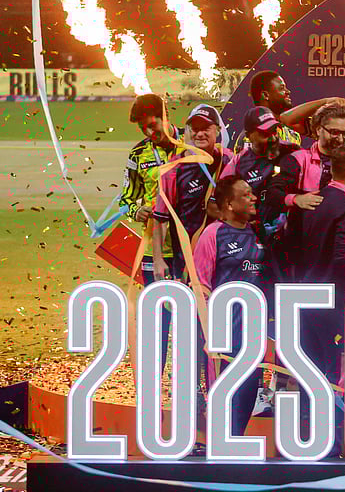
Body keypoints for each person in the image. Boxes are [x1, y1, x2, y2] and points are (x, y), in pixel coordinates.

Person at [288, 145, 345, 450]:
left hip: (303, 294)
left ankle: (307, 435)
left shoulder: (313, 201)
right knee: (334, 369)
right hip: (331, 299)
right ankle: (330, 440)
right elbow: (342, 256)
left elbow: (291, 245)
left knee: (311, 367)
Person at [192, 175, 268, 439]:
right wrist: (207, 332)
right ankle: (220, 446)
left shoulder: (257, 232)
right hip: (224, 334)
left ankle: (236, 442)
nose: (253, 198)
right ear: (229, 203)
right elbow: (200, 285)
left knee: (249, 391)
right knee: (224, 395)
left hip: (253, 333)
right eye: (246, 195)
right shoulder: (213, 235)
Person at [117, 94, 180, 367]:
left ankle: (194, 382)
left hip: (192, 248)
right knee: (158, 319)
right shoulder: (138, 154)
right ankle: (153, 380)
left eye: (152, 125)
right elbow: (125, 199)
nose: (149, 132)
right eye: (143, 128)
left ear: (166, 116)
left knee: (192, 319)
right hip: (155, 252)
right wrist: (136, 210)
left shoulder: (191, 145)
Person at [264, 103, 345, 279]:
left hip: (340, 249)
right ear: (318, 129)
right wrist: (296, 199)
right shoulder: (298, 160)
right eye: (334, 132)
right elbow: (272, 193)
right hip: (302, 251)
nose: (340, 139)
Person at [150, 104, 235, 281]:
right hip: (188, 260)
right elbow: (160, 219)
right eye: (195, 129)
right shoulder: (173, 170)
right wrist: (158, 260)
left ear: (218, 129)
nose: (200, 134)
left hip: (227, 254)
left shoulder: (229, 160)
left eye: (206, 128)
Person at [233, 71, 302, 150]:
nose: (288, 92)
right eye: (282, 88)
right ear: (266, 95)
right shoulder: (251, 137)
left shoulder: (293, 134)